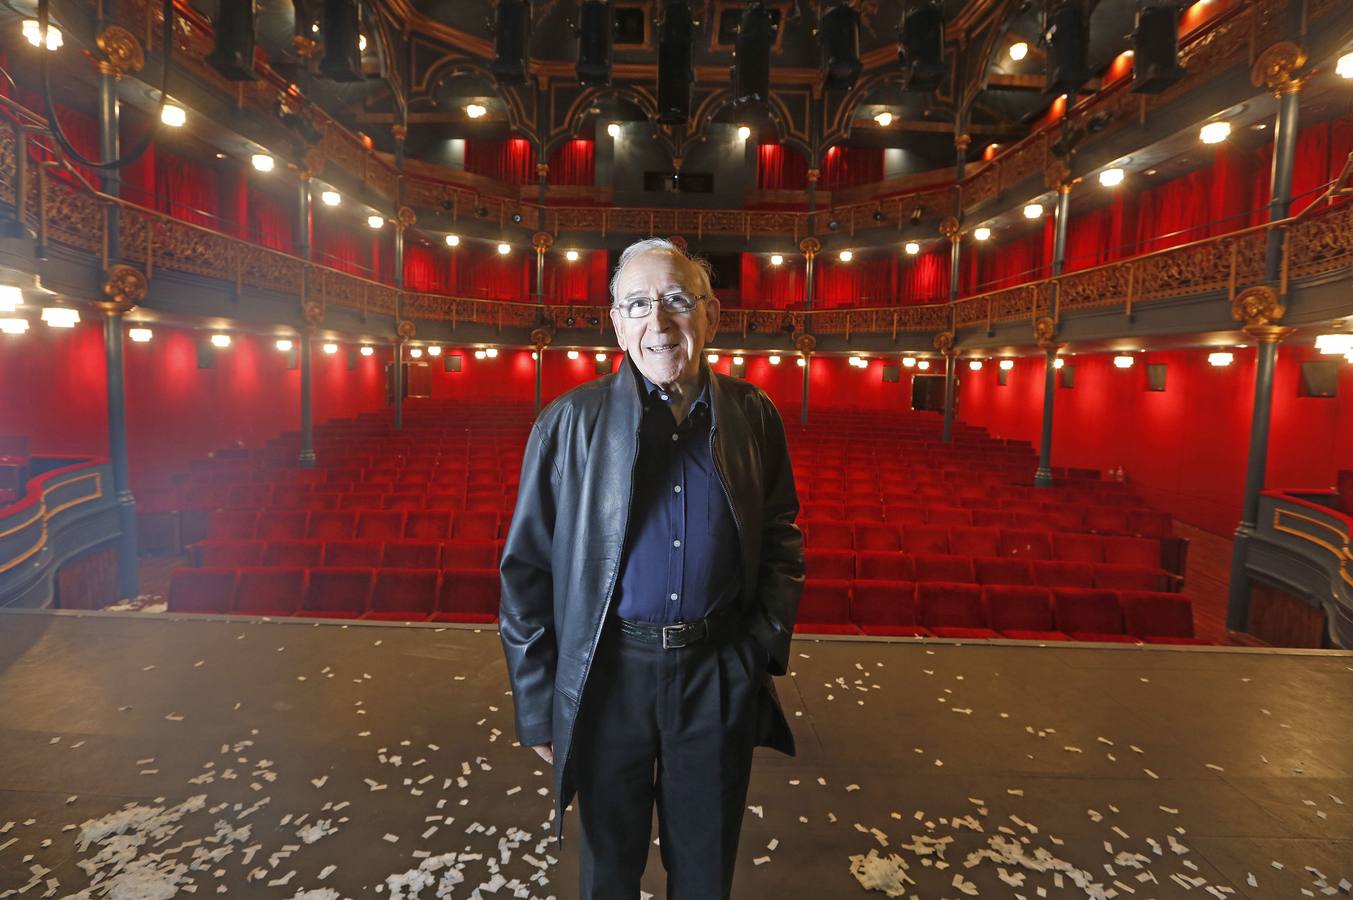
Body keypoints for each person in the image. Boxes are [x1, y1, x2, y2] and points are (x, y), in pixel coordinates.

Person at [499, 237, 803, 899]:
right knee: (608, 870)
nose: (657, 324)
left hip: (714, 673)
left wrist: (754, 654)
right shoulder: (566, 424)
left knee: (704, 871)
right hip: (610, 677)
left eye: (675, 301)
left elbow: (782, 541)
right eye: (637, 304)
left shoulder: (753, 416)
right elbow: (526, 572)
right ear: (615, 322)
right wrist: (538, 703)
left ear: (710, 314)